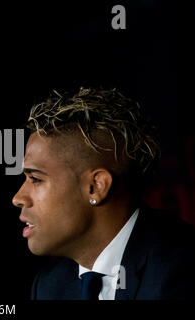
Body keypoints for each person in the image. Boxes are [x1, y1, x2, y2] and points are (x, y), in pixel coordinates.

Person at [12, 87, 194, 300]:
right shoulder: (50, 286)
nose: (17, 198)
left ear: (96, 186)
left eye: (36, 179)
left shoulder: (183, 272)